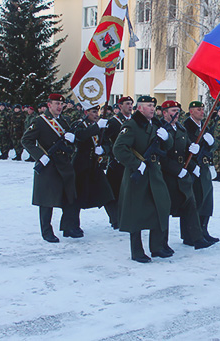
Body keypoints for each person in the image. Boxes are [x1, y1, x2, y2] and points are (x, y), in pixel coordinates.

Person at [113, 96, 172, 263]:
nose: (152, 109)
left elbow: (166, 148)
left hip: (154, 172)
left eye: (153, 106)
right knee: (136, 212)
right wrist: (136, 164)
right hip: (138, 174)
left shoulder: (155, 124)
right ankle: (137, 251)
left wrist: (167, 138)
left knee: (161, 206)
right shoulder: (131, 125)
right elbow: (118, 148)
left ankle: (157, 247)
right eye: (148, 106)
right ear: (139, 108)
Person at [21, 94, 78, 243]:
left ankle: (68, 227)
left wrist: (72, 140)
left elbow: (71, 142)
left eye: (61, 104)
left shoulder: (65, 121)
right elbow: (26, 140)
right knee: (47, 200)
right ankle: (46, 231)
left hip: (64, 163)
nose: (59, 106)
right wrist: (40, 156)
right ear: (49, 105)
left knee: (69, 196)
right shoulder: (40, 121)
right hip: (48, 164)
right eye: (56, 103)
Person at [160, 100, 214, 252]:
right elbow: (163, 155)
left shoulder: (180, 128)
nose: (176, 114)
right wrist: (181, 169)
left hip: (185, 171)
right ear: (165, 113)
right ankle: (161, 244)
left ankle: (197, 238)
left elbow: (186, 150)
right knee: (165, 210)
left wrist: (193, 165)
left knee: (191, 203)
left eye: (177, 110)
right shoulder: (162, 129)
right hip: (168, 174)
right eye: (172, 111)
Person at [71, 105, 115, 236]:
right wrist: (97, 127)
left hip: (95, 165)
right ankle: (73, 226)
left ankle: (116, 220)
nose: (97, 114)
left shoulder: (100, 126)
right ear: (86, 112)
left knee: (107, 193)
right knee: (77, 197)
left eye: (98, 112)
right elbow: (80, 136)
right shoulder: (79, 124)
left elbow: (108, 143)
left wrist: (104, 150)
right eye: (94, 112)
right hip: (81, 165)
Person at [183, 101, 220, 243]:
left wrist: (212, 143)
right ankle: (190, 235)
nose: (202, 111)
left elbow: (213, 147)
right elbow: (183, 147)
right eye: (198, 109)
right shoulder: (186, 126)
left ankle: (203, 231)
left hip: (204, 169)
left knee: (206, 201)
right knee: (194, 202)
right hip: (193, 169)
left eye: (203, 109)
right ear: (191, 111)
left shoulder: (204, 126)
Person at [105, 96, 134, 229]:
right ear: (120, 106)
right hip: (116, 162)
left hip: (130, 161)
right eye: (127, 104)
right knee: (114, 191)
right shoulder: (114, 122)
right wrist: (110, 153)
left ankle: (125, 217)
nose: (130, 106)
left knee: (128, 192)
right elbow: (104, 140)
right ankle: (115, 218)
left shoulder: (133, 121)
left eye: (131, 104)